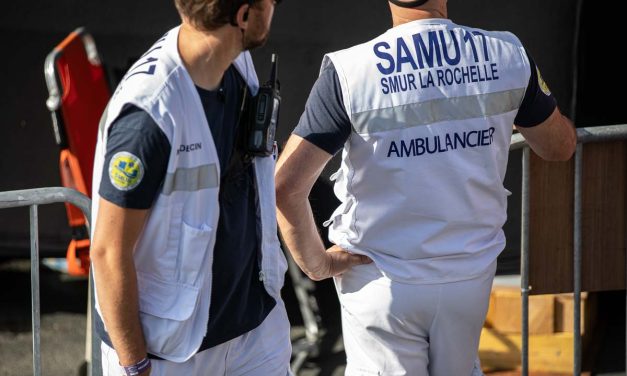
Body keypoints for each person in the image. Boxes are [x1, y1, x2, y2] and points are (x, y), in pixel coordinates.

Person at [275, 0, 577, 375]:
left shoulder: (351, 71)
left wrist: (317, 265)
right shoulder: (507, 55)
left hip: (380, 280)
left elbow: (286, 185)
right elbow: (559, 146)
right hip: (468, 276)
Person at [90, 0, 292, 375]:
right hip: (174, 353)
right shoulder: (149, 116)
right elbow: (107, 251)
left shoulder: (232, 60)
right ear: (243, 16)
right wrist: (135, 364)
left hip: (253, 330)